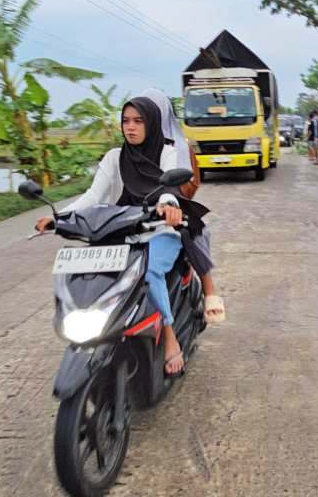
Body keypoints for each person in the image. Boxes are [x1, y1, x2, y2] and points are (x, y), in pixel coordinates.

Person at [35, 96, 207, 375]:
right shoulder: (115, 157)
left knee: (149, 271)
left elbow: (169, 189)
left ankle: (169, 336)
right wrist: (58, 218)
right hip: (122, 230)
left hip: (160, 230)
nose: (131, 127)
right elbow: (93, 195)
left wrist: (169, 207)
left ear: (151, 124)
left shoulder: (167, 152)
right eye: (126, 121)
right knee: (95, 274)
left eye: (138, 121)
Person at [139, 88, 225, 325]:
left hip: (175, 203)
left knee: (191, 232)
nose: (141, 121)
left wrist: (170, 200)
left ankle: (209, 291)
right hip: (140, 209)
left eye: (149, 115)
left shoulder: (176, 145)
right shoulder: (131, 145)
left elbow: (188, 182)